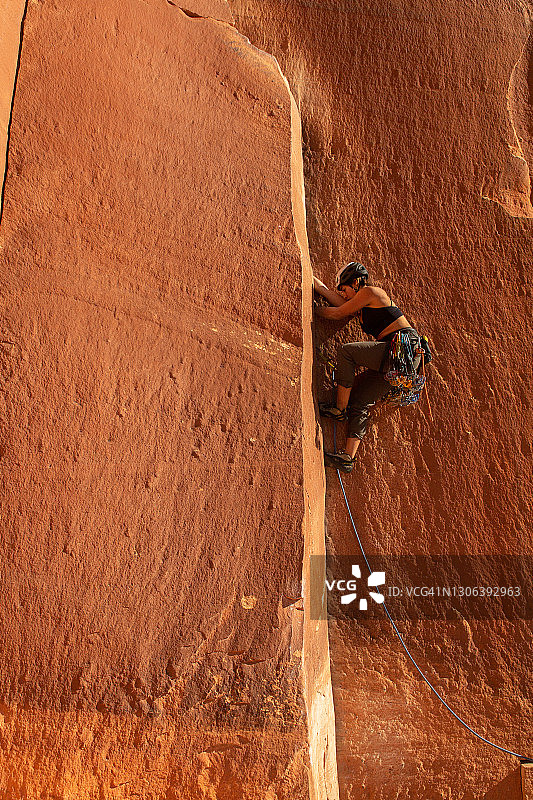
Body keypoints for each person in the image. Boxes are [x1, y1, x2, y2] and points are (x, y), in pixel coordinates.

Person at [313, 261, 421, 473]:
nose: (342, 294)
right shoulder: (361, 306)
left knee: (347, 351)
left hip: (401, 348)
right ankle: (347, 458)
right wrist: (313, 283)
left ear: (355, 282)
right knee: (361, 400)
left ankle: (339, 409)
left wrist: (311, 311)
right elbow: (335, 300)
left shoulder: (370, 292)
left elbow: (336, 313)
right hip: (403, 361)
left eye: (344, 289)